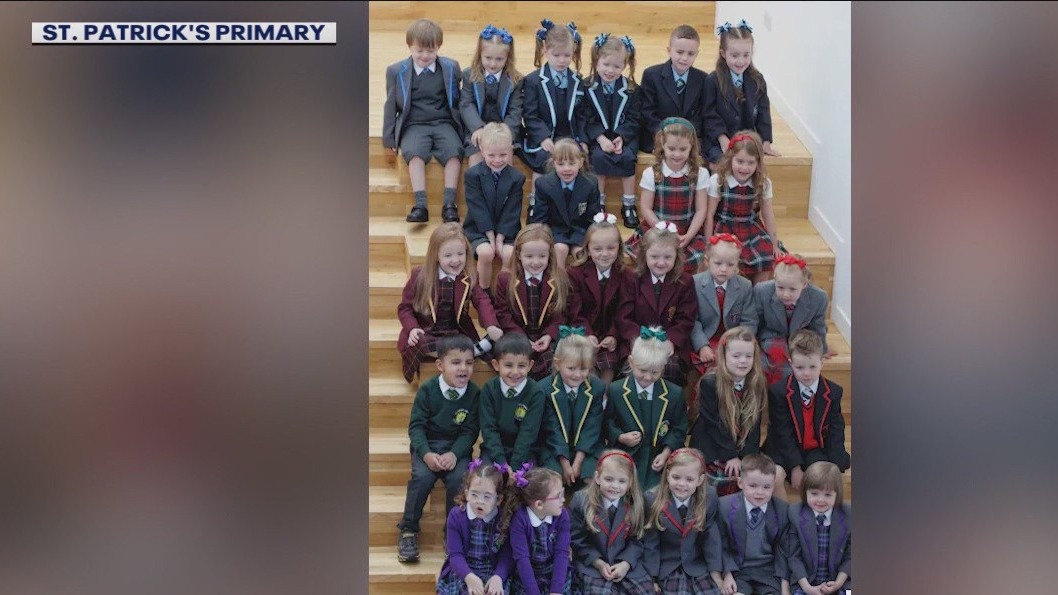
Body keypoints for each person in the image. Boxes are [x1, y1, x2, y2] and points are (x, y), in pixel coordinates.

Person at [397, 336, 481, 563]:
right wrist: (425, 453)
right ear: (440, 365)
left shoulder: (474, 394)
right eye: (456, 362)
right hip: (428, 446)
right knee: (422, 478)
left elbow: (470, 431)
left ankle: (452, 533)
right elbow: (416, 427)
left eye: (469, 362)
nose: (463, 368)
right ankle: (408, 529)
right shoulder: (427, 390)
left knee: (460, 479)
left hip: (456, 450)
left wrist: (455, 453)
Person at [397, 223, 502, 383]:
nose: (455, 260)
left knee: (497, 338)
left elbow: (482, 301)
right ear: (436, 255)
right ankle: (470, 352)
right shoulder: (420, 276)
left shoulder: (469, 277)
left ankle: (461, 351)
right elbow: (405, 308)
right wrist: (412, 328)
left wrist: (491, 325)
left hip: (456, 332)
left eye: (460, 254)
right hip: (428, 331)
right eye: (448, 255)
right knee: (421, 343)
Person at [383, 18, 464, 223]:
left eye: (430, 50)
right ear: (409, 47)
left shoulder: (451, 67)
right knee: (415, 154)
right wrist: (389, 138)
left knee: (454, 153)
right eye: (419, 50)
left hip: (443, 122)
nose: (425, 55)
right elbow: (391, 105)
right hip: (414, 124)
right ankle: (420, 205)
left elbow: (459, 100)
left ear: (439, 47)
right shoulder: (396, 71)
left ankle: (449, 204)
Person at [763, 330, 849, 500]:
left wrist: (834, 466)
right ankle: (785, 514)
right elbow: (783, 433)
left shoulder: (833, 392)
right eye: (800, 367)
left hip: (815, 449)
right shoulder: (778, 392)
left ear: (822, 362)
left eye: (812, 367)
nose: (807, 373)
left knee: (823, 478)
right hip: (784, 449)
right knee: (776, 477)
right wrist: (795, 467)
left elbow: (836, 430)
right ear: (791, 363)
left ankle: (817, 514)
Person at [625, 117, 710, 275]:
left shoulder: (700, 173)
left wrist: (688, 236)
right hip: (657, 229)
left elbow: (701, 210)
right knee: (651, 255)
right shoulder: (652, 173)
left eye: (683, 149)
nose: (677, 154)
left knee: (696, 258)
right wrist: (663, 230)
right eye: (671, 149)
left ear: (691, 147)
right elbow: (646, 208)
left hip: (686, 231)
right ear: (662, 144)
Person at [604, 331, 687, 491]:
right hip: (626, 458)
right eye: (642, 370)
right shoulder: (616, 390)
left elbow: (679, 429)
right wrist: (620, 437)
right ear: (631, 362)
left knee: (657, 493)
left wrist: (666, 453)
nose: (648, 377)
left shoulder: (674, 394)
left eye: (655, 372)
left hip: (659, 458)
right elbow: (607, 422)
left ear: (663, 367)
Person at [492, 224, 577, 380]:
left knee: (555, 358)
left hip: (545, 336)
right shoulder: (505, 279)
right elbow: (502, 313)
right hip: (516, 334)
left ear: (550, 255)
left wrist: (549, 335)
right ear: (519, 254)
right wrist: (521, 337)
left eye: (542, 256)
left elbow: (562, 313)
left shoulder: (559, 278)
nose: (536, 262)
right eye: (529, 256)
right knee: (510, 356)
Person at [690, 327, 766, 498]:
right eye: (736, 356)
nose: (743, 361)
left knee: (752, 474)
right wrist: (731, 456)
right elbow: (714, 425)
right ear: (724, 356)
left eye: (748, 356)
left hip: (740, 446)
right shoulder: (710, 383)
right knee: (724, 476)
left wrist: (747, 457)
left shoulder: (756, 383)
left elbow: (754, 425)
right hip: (715, 445)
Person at [520, 19, 585, 219]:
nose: (562, 60)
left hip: (568, 135)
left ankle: (570, 205)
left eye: (567, 55)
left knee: (576, 157)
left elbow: (581, 115)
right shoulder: (533, 81)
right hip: (545, 137)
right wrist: (542, 137)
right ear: (545, 52)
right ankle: (535, 202)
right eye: (556, 55)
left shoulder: (577, 81)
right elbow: (530, 115)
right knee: (543, 159)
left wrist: (582, 139)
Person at [617, 225, 697, 385]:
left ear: (676, 256)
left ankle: (669, 399)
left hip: (668, 344)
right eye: (654, 257)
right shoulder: (632, 279)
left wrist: (671, 340)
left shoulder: (685, 282)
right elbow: (623, 317)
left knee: (672, 369)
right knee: (633, 367)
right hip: (637, 342)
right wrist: (640, 340)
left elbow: (686, 319)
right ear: (644, 255)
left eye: (668, 257)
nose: (661, 263)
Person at [569, 449, 654, 595]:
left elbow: (638, 539)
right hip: (593, 566)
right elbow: (577, 539)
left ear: (630, 482)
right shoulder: (581, 501)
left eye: (622, 481)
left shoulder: (637, 503)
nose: (614, 486)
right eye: (608, 479)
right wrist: (598, 563)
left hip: (627, 565)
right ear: (597, 477)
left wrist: (626, 564)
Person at [580, 33, 641, 229]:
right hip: (598, 138)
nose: (610, 70)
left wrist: (622, 136)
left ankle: (629, 204)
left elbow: (634, 118)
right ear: (596, 61)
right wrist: (600, 138)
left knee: (628, 158)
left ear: (625, 65)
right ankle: (598, 203)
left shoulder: (631, 89)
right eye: (606, 64)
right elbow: (585, 117)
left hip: (624, 138)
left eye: (616, 66)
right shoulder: (586, 87)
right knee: (597, 158)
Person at [643, 448, 723, 595]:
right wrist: (652, 577)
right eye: (676, 477)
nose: (681, 484)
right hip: (668, 567)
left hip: (698, 565)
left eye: (689, 479)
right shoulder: (652, 500)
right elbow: (651, 543)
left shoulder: (709, 497)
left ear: (700, 480)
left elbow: (711, 538)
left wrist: (716, 572)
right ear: (667, 475)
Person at [566, 213, 634, 384]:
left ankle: (605, 394)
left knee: (609, 360)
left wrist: (613, 335)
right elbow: (574, 311)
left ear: (619, 248)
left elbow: (625, 312)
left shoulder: (626, 276)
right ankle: (589, 391)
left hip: (613, 334)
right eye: (597, 249)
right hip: (583, 333)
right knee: (582, 357)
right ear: (588, 249)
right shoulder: (575, 274)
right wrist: (587, 334)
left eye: (611, 248)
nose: (604, 254)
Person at [705, 131, 780, 284]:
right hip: (724, 227)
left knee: (766, 256)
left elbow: (768, 215)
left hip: (750, 227)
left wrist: (774, 243)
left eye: (751, 163)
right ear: (730, 158)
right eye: (739, 161)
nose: (744, 168)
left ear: (758, 163)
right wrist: (708, 242)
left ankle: (757, 292)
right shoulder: (718, 180)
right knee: (728, 257)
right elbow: (709, 214)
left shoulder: (763, 183)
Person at [703, 20, 779, 170]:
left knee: (750, 163)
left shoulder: (757, 79)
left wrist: (765, 142)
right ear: (723, 53)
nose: (741, 61)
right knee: (721, 163)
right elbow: (709, 114)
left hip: (747, 139)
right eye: (735, 55)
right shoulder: (712, 80)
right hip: (719, 140)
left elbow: (763, 112)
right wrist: (723, 139)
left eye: (746, 55)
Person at [714, 454, 794, 595]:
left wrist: (784, 585)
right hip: (738, 571)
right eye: (753, 486)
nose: (759, 492)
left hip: (769, 572)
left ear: (774, 486)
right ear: (740, 483)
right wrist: (727, 574)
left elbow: (783, 551)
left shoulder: (782, 510)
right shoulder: (724, 506)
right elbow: (723, 545)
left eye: (766, 487)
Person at [462, 122, 526, 292]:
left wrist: (500, 238)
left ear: (511, 150)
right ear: (482, 151)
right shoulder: (472, 175)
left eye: (503, 155)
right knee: (486, 253)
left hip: (507, 229)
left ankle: (503, 294)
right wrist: (490, 237)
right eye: (491, 155)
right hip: (479, 228)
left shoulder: (517, 178)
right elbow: (478, 207)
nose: (497, 160)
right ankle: (483, 292)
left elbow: (512, 210)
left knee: (509, 254)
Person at [538, 332, 604, 490]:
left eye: (583, 369)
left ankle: (590, 505)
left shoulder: (597, 387)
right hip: (554, 448)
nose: (577, 374)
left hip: (587, 448)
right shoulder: (544, 389)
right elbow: (552, 429)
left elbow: (591, 428)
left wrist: (578, 462)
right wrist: (565, 463)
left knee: (594, 479)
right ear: (557, 364)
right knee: (552, 480)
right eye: (571, 368)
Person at [436, 460, 513, 595]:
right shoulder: (456, 516)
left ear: (498, 499)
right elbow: (455, 554)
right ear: (467, 494)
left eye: (487, 496)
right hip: (464, 571)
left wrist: (498, 577)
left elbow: (507, 555)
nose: (480, 501)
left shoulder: (504, 518)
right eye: (474, 494)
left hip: (493, 571)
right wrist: (469, 577)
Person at [690, 233, 759, 380]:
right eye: (718, 263)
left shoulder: (745, 286)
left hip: (734, 340)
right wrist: (702, 346)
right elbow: (692, 320)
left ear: (737, 265)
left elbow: (749, 321)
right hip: (707, 339)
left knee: (738, 362)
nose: (723, 269)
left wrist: (738, 344)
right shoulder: (695, 284)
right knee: (711, 369)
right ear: (707, 261)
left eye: (730, 265)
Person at [753, 254, 829, 386]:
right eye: (780, 288)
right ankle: (768, 392)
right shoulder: (761, 291)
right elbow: (755, 322)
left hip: (800, 338)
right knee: (765, 364)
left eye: (792, 289)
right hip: (771, 336)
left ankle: (790, 392)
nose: (786, 294)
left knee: (799, 363)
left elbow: (818, 328)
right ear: (774, 279)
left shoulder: (818, 298)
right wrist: (753, 346)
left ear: (804, 284)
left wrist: (821, 350)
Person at [528, 138, 601, 269]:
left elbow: (593, 218)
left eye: (572, 163)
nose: (566, 169)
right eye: (561, 164)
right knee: (560, 249)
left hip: (580, 231)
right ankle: (559, 280)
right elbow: (540, 220)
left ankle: (579, 281)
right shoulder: (543, 184)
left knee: (581, 252)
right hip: (555, 232)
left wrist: (587, 239)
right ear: (554, 163)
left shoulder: (590, 184)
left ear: (581, 162)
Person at [459, 24, 523, 168]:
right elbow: (466, 104)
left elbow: (515, 110)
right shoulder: (470, 75)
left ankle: (505, 183)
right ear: (479, 55)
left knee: (505, 154)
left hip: (504, 129)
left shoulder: (516, 80)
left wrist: (505, 133)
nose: (493, 64)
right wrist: (477, 127)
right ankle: (476, 183)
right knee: (476, 153)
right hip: (479, 130)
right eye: (488, 58)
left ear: (508, 58)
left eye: (499, 59)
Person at [479, 333, 546, 470]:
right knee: (485, 478)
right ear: (496, 365)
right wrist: (502, 463)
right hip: (494, 451)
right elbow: (489, 430)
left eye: (521, 366)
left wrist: (515, 467)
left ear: (530, 365)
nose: (515, 372)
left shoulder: (536, 393)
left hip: (525, 452)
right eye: (508, 365)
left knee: (530, 480)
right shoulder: (489, 389)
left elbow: (528, 434)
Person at [639, 24, 708, 154]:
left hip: (690, 141)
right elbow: (648, 112)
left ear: (697, 54)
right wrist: (665, 136)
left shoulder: (703, 79)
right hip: (658, 139)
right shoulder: (651, 75)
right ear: (669, 50)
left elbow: (701, 114)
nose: (684, 58)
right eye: (680, 52)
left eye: (691, 53)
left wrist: (687, 137)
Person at [505, 466, 573, 595]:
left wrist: (556, 591)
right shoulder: (520, 519)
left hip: (554, 573)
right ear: (539, 504)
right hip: (528, 577)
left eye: (563, 493)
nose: (563, 500)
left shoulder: (562, 515)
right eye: (558, 496)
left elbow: (562, 553)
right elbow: (522, 559)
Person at [787, 462, 851, 595]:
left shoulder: (848, 514)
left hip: (840, 581)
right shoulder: (795, 513)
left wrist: (838, 583)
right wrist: (808, 588)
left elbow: (850, 555)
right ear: (805, 492)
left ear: (837, 494)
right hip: (805, 582)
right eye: (814, 493)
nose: (820, 500)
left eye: (828, 495)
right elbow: (794, 557)